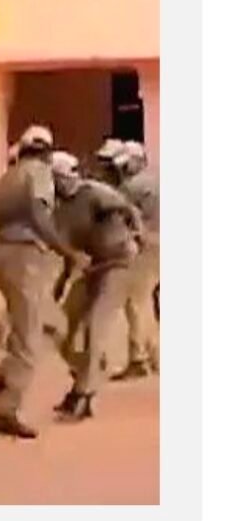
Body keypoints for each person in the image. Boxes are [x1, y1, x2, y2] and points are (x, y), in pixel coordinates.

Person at [0, 125, 81, 439]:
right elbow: (39, 215)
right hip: (25, 256)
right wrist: (64, 250)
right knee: (31, 339)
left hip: (0, 253)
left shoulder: (7, 177)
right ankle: (6, 409)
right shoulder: (39, 173)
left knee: (43, 324)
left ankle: (4, 375)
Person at [45, 151, 144, 420]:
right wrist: (60, 287)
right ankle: (88, 372)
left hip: (119, 264)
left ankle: (83, 393)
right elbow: (70, 253)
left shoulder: (94, 193)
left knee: (95, 329)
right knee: (61, 328)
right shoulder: (60, 209)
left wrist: (137, 235)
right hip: (93, 267)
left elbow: (129, 209)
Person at [112, 142, 160, 380]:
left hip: (145, 245)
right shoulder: (157, 181)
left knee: (136, 303)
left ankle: (138, 358)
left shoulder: (131, 187)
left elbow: (119, 219)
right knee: (147, 301)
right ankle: (154, 356)